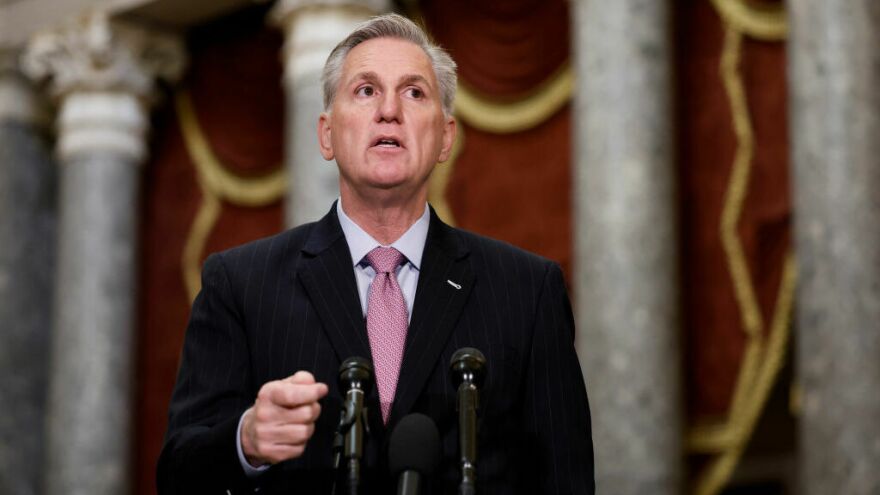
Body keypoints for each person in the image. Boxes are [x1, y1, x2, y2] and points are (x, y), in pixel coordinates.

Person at [158, 13, 594, 494]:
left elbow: (566, 479)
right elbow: (178, 473)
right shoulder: (239, 283)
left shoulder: (527, 291)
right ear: (326, 134)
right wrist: (246, 441)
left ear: (446, 136)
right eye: (365, 90)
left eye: (414, 92)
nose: (389, 110)